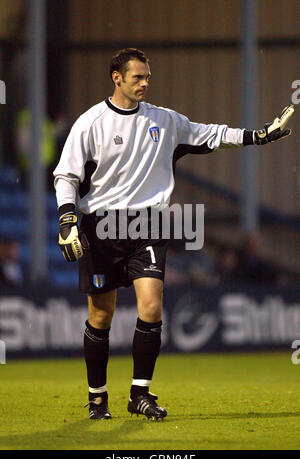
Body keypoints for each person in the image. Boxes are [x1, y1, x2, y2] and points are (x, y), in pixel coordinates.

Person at [53, 48, 293, 421]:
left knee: (151, 306)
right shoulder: (91, 123)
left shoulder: (165, 121)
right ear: (116, 78)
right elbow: (65, 176)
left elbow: (210, 134)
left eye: (148, 76)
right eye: (138, 77)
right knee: (101, 316)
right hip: (101, 228)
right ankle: (98, 399)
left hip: (148, 226)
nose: (145, 83)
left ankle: (140, 394)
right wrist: (68, 220)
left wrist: (258, 135)